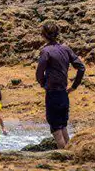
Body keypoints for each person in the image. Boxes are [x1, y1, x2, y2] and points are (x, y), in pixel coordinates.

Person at [36, 21, 85, 149]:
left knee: (56, 130)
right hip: (64, 94)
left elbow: (39, 73)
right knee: (63, 127)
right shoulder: (65, 49)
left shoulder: (46, 51)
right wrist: (74, 87)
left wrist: (43, 84)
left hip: (52, 94)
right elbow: (81, 67)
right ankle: (70, 155)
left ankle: (64, 156)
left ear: (43, 35)